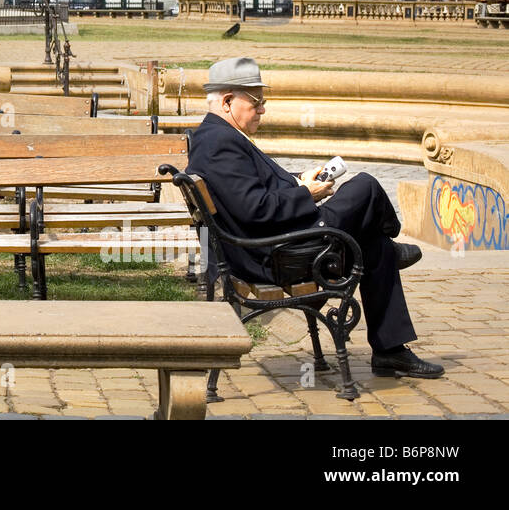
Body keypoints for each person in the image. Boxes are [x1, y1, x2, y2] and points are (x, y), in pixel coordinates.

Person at [185, 57, 443, 379]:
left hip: (277, 244)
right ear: (227, 101)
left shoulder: (217, 137)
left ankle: (390, 351)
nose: (263, 110)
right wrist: (307, 194)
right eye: (257, 102)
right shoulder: (220, 143)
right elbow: (256, 209)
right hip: (277, 254)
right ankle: (394, 241)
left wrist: (297, 181)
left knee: (375, 248)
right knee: (365, 186)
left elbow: (253, 195)